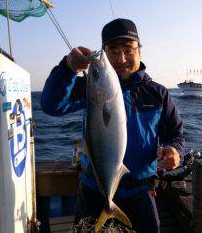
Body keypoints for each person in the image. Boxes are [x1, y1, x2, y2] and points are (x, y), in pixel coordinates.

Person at [41, 18, 184, 233]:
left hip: (140, 191)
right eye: (113, 51)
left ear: (140, 51)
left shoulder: (157, 93)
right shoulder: (89, 88)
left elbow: (175, 134)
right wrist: (67, 68)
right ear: (105, 54)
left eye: (128, 49)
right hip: (94, 190)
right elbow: (51, 105)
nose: (121, 58)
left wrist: (174, 151)